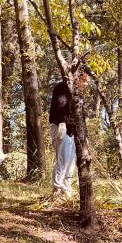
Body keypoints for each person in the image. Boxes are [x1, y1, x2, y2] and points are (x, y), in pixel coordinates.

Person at [48, 69, 90, 197]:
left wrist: (84, 134)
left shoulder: (79, 96)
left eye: (87, 82)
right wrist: (65, 123)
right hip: (60, 126)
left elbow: (81, 116)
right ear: (77, 78)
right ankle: (57, 189)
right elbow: (60, 106)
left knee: (71, 161)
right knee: (63, 159)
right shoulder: (62, 87)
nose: (86, 84)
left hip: (72, 131)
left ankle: (66, 190)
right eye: (84, 80)